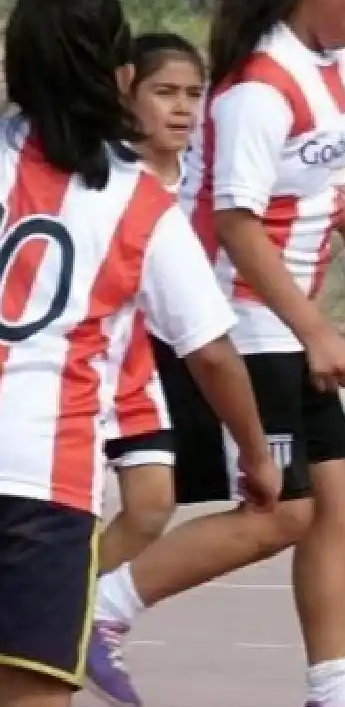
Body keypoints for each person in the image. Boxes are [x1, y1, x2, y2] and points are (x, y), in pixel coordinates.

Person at [83, 0, 345, 707]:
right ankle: (96, 613)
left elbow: (308, 165)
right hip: (244, 325)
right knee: (282, 511)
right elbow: (234, 220)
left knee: (339, 493)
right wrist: (314, 327)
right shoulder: (256, 87)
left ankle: (336, 698)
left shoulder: (326, 62)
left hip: (280, 324)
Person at [0, 0, 279, 707]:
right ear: (122, 78)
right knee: (37, 695)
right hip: (45, 482)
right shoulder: (140, 206)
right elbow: (214, 354)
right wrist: (258, 456)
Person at [99, 33, 206, 573]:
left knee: (151, 506)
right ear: (126, 93)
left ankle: (71, 609)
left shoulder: (203, 177)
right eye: (166, 92)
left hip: (151, 361)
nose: (183, 107)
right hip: (92, 355)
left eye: (193, 93)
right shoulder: (103, 176)